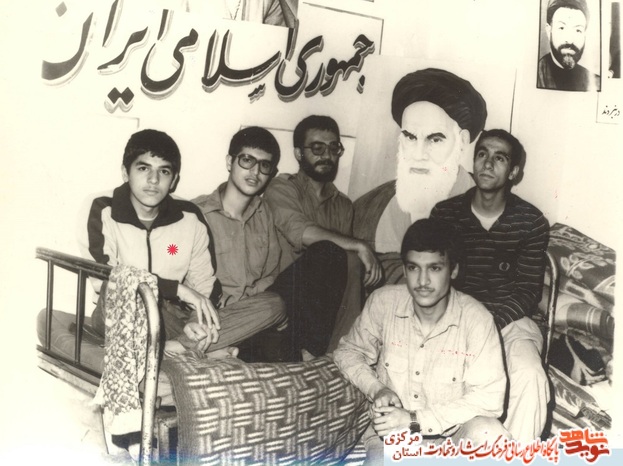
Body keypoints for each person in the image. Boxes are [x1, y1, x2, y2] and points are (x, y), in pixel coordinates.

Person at [78, 129, 281, 354]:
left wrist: (196, 321)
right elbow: (105, 277)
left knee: (274, 305)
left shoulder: (190, 216)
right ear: (126, 173)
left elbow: (204, 283)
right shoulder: (102, 208)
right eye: (143, 168)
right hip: (124, 312)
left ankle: (176, 347)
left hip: (171, 319)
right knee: (117, 289)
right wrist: (178, 290)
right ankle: (194, 347)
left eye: (164, 171)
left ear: (174, 179)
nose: (153, 180)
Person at [334, 218, 508, 465]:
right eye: (414, 268)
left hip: (451, 439)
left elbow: (489, 399)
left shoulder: (476, 319)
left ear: (453, 270)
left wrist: (414, 420)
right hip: (392, 440)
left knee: (491, 435)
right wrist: (377, 388)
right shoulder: (383, 303)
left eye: (434, 268)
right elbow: (348, 352)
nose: (422, 281)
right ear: (405, 270)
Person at [430, 129, 550, 444]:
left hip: (510, 321)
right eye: (482, 154)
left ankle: (517, 456)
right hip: (456, 319)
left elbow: (528, 291)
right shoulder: (445, 215)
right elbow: (435, 278)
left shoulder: (530, 221)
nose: (487, 163)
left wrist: (489, 325)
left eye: (499, 158)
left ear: (513, 172)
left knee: (530, 376)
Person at [264, 115, 382, 359]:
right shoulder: (281, 187)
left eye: (333, 148)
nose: (326, 155)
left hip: (321, 310)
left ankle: (342, 349)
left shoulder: (343, 205)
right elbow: (301, 231)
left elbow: (347, 271)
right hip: (283, 301)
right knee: (329, 251)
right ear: (299, 153)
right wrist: (359, 245)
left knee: (349, 262)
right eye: (317, 148)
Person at [353, 68, 487, 257]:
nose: (418, 154)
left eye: (435, 139)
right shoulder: (367, 209)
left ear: (462, 141)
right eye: (410, 137)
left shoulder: (490, 211)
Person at [192, 126, 288, 361]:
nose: (255, 171)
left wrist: (247, 299)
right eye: (247, 160)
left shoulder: (265, 214)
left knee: (275, 306)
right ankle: (189, 346)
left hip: (246, 316)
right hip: (201, 316)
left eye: (264, 165)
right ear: (230, 162)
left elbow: (271, 275)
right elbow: (176, 267)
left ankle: (199, 349)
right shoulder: (196, 212)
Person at [537, 0, 600, 91]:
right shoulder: (533, 76)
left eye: (578, 30)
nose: (570, 40)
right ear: (548, 30)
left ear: (585, 34)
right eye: (562, 28)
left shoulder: (596, 83)